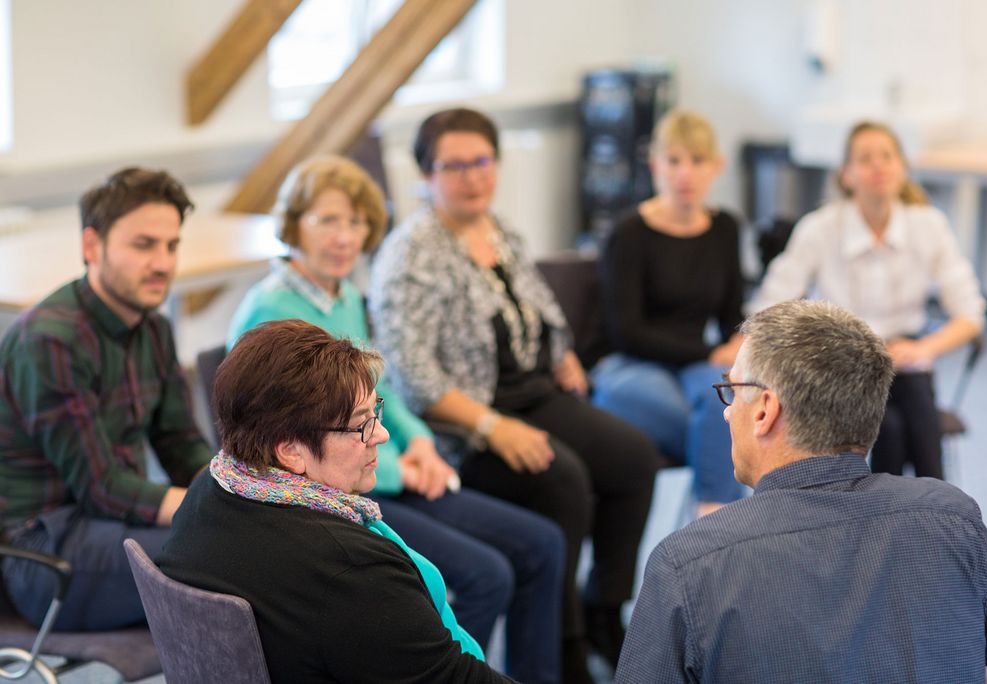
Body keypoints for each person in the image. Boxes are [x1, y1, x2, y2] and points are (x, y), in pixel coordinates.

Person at [227, 154, 564, 683]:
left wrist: (423, 444)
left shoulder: (345, 299)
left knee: (542, 543)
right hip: (333, 493)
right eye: (328, 220)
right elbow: (285, 447)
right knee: (487, 576)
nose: (345, 237)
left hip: (376, 470)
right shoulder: (271, 312)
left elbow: (379, 393)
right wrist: (400, 471)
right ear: (294, 225)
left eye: (357, 222)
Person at [369, 107, 662, 681]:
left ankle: (603, 604)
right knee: (564, 480)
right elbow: (413, 379)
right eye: (454, 166)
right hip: (465, 426)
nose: (473, 177)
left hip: (533, 394)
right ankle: (565, 640)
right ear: (427, 176)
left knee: (634, 459)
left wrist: (563, 354)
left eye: (482, 161)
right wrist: (491, 427)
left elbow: (539, 308)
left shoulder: (497, 229)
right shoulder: (410, 255)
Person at [617, 300, 987, 683]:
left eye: (733, 389)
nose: (726, 409)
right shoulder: (956, 519)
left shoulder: (687, 564)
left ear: (764, 410)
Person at [157, 320, 512, 683]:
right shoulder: (352, 573)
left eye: (376, 412)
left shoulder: (208, 490)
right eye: (361, 426)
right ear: (291, 450)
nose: (382, 434)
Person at [0, 168, 211, 630]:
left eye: (172, 245)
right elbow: (101, 486)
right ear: (91, 247)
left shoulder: (155, 327)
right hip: (43, 550)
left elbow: (181, 443)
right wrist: (215, 509)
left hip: (114, 524)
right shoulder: (50, 340)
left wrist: (237, 489)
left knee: (253, 542)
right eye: (144, 244)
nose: (163, 263)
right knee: (230, 556)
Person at [749, 120, 986, 479]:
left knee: (924, 427)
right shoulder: (820, 228)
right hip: (843, 364)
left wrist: (926, 350)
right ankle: (882, 524)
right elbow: (768, 307)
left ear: (903, 169)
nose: (878, 166)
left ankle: (935, 521)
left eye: (887, 156)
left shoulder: (929, 225)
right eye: (865, 158)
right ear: (846, 175)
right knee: (887, 431)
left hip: (905, 358)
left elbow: (970, 314)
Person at [591, 110, 746, 516]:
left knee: (726, 404)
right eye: (674, 161)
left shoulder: (725, 228)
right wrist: (708, 352)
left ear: (717, 166)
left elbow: (733, 312)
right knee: (727, 422)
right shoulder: (629, 233)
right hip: (630, 364)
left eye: (697, 161)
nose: (685, 174)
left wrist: (737, 342)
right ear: (655, 164)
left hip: (694, 363)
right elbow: (626, 331)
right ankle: (722, 521)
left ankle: (710, 515)